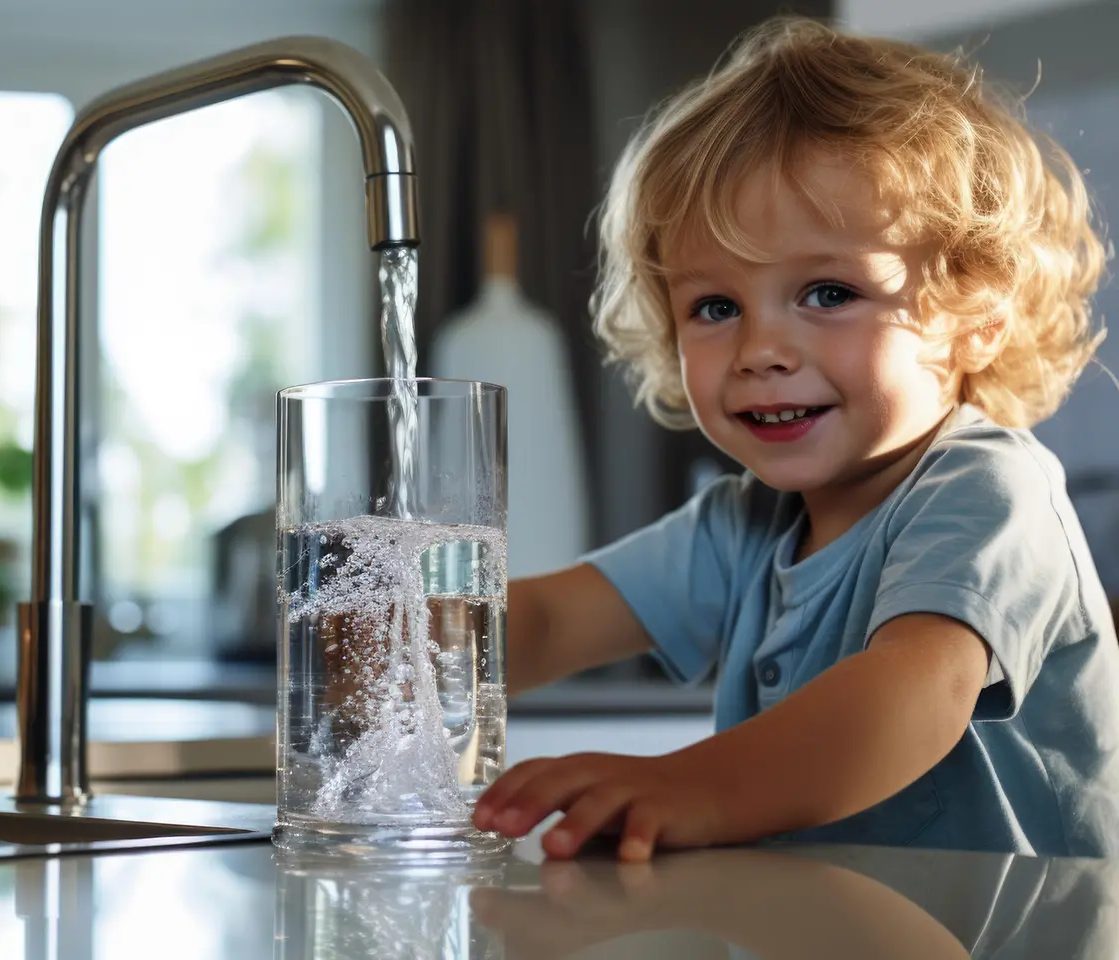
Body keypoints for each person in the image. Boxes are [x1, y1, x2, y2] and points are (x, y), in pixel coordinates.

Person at [472, 16, 1119, 861]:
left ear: (974, 324)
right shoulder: (744, 524)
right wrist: (410, 646)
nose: (761, 351)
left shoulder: (989, 492)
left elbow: (913, 694)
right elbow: (556, 621)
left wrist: (689, 784)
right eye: (715, 307)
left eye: (827, 292)